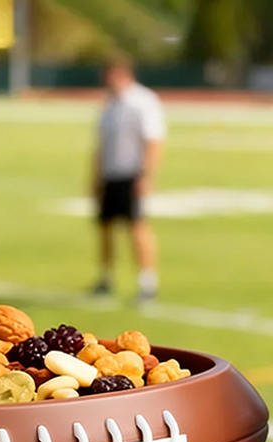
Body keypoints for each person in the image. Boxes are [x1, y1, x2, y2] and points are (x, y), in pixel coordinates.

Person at [91, 55, 166, 302]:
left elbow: (153, 140)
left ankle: (147, 282)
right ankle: (106, 277)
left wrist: (145, 174)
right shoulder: (110, 106)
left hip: (131, 174)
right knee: (105, 227)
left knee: (137, 226)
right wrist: (95, 177)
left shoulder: (142, 102)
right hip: (110, 174)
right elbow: (101, 145)